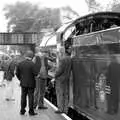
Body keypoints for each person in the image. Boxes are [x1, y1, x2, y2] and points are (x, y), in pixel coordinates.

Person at [16, 50, 38, 116]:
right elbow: (36, 73)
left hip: (23, 83)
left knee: (23, 97)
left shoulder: (20, 63)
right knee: (31, 97)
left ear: (26, 56)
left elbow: (17, 73)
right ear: (31, 56)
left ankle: (22, 111)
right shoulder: (32, 64)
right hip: (31, 84)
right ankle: (31, 112)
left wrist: (21, 79)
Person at [54, 47, 72, 114]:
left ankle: (60, 109)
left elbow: (59, 71)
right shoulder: (70, 59)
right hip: (66, 79)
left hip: (60, 80)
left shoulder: (62, 60)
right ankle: (65, 109)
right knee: (66, 94)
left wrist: (55, 75)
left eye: (59, 52)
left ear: (62, 52)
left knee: (60, 94)